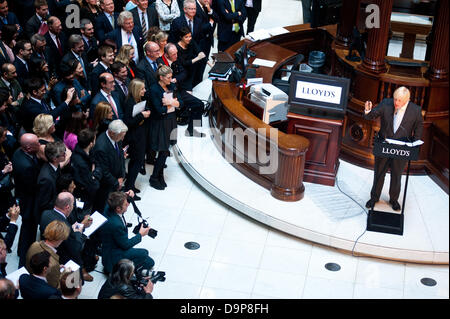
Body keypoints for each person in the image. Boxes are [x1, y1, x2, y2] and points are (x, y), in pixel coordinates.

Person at [364, 86, 424, 211]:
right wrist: (368, 111)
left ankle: (394, 200)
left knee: (397, 176)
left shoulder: (415, 110)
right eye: (395, 99)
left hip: (401, 149)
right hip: (384, 146)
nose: (396, 103)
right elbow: (371, 116)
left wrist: (414, 144)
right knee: (379, 174)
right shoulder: (386, 103)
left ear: (407, 100)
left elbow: (418, 127)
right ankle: (374, 198)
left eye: (400, 101)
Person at [39, 192, 93, 281]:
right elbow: (76, 246)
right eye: (73, 205)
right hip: (65, 261)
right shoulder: (65, 227)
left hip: (49, 253)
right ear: (67, 207)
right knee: (70, 289)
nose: (73, 207)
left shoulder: (46, 213)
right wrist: (81, 225)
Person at [100, 192, 154, 274]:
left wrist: (125, 196)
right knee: (145, 255)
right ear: (118, 209)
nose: (128, 205)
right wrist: (140, 234)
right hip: (114, 257)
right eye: (125, 204)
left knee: (147, 258)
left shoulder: (108, 208)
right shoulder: (116, 225)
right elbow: (126, 244)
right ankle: (122, 270)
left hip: (109, 251)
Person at [148, 65, 181, 189]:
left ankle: (159, 174)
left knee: (166, 149)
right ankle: (154, 177)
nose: (171, 79)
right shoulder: (154, 89)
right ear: (161, 77)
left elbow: (181, 102)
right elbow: (159, 110)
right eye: (168, 77)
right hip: (160, 122)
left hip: (171, 120)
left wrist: (171, 103)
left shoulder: (171, 86)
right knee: (163, 151)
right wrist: (172, 104)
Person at [161, 43, 204, 137]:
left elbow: (184, 72)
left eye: (176, 53)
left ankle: (192, 130)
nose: (176, 56)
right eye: (173, 54)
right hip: (168, 93)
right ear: (166, 55)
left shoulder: (176, 58)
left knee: (199, 104)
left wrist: (175, 79)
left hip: (178, 89)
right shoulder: (161, 63)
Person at [11, 133, 41, 267]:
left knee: (26, 227)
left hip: (23, 195)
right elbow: (34, 186)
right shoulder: (26, 166)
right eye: (37, 144)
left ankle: (21, 251)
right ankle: (24, 261)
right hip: (29, 200)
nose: (40, 145)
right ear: (28, 148)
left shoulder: (19, 151)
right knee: (29, 228)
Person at [92, 119, 128, 212]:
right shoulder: (101, 147)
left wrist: (122, 176)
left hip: (116, 180)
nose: (122, 138)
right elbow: (104, 171)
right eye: (121, 136)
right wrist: (117, 182)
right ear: (112, 133)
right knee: (104, 208)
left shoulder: (117, 138)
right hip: (106, 185)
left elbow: (120, 157)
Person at [122, 79, 150, 196]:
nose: (144, 90)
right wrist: (141, 115)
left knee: (136, 162)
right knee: (136, 162)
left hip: (139, 134)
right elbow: (129, 122)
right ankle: (129, 189)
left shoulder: (137, 100)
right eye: (142, 89)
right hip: (134, 137)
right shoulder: (129, 102)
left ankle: (131, 185)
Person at [25, 220, 70, 289]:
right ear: (60, 239)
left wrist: (56, 269)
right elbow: (55, 287)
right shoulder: (53, 263)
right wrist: (65, 273)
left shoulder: (34, 245)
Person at [71, 128, 103, 214]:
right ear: (91, 143)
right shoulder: (80, 163)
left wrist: (94, 174)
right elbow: (93, 185)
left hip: (90, 192)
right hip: (84, 196)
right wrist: (94, 174)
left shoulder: (90, 150)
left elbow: (98, 165)